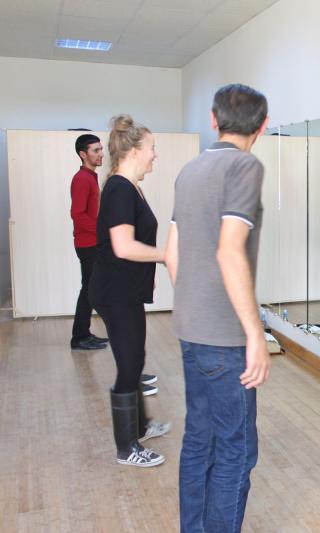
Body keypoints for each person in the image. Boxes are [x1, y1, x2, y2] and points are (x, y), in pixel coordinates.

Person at [166, 83, 271, 532]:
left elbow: (171, 253)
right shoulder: (245, 166)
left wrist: (195, 304)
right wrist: (255, 334)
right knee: (236, 450)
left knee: (199, 440)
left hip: (190, 328)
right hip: (225, 339)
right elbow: (230, 251)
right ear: (262, 125)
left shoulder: (190, 169)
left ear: (214, 120)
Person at [89, 115, 170, 468]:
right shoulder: (120, 188)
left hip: (126, 290)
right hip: (115, 292)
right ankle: (127, 448)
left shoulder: (130, 186)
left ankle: (141, 426)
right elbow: (123, 247)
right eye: (152, 148)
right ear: (135, 150)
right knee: (129, 363)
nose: (155, 154)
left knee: (134, 357)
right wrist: (166, 255)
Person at [70, 134, 109, 351]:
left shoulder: (90, 177)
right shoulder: (82, 179)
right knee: (89, 290)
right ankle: (79, 338)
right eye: (96, 150)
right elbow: (77, 214)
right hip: (87, 245)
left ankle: (83, 334)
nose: (101, 154)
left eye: (101, 149)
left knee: (90, 290)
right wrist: (101, 231)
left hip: (93, 243)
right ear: (83, 154)